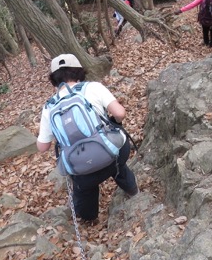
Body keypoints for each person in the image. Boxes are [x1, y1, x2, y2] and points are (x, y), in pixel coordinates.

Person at [36, 54, 138, 221]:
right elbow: (120, 113)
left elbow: (42, 147)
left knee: (83, 186)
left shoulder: (50, 107)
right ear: (79, 71)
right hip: (111, 156)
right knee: (116, 156)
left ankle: (89, 218)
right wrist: (113, 123)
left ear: (53, 78)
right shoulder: (93, 87)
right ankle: (133, 190)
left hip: (81, 169)